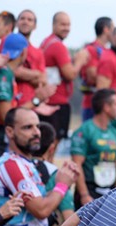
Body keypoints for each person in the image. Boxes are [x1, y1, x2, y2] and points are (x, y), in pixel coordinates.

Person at [39, 12, 89, 144]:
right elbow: (70, 74)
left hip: (47, 100)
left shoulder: (46, 42)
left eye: (68, 24)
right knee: (52, 144)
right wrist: (80, 60)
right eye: (62, 24)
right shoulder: (57, 46)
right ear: (53, 25)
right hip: (56, 102)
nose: (66, 28)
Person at [71, 88, 116, 208]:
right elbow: (77, 164)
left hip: (109, 192)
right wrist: (84, 194)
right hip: (90, 191)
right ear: (106, 107)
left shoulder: (114, 132)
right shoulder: (84, 131)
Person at [0, 33, 28, 164]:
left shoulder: (5, 72)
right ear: (24, 52)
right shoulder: (3, 74)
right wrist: (36, 101)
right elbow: (6, 116)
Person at [14, 10, 56, 112]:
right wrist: (35, 74)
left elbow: (42, 80)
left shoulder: (38, 52)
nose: (25, 22)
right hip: (10, 101)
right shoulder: (7, 45)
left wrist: (22, 74)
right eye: (22, 18)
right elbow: (11, 71)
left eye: (30, 20)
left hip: (31, 105)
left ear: (35, 26)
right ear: (16, 23)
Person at [79, 17, 113, 121]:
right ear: (106, 29)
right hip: (92, 105)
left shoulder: (107, 51)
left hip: (106, 106)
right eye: (113, 29)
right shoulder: (92, 49)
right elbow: (91, 75)